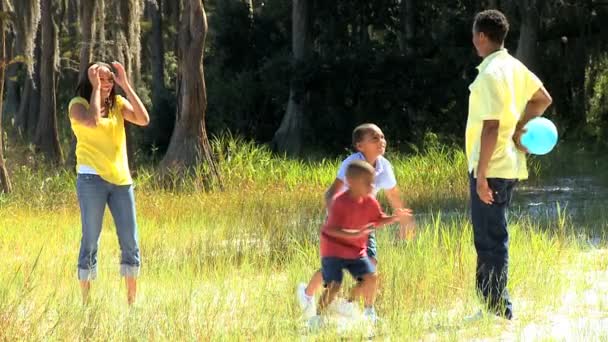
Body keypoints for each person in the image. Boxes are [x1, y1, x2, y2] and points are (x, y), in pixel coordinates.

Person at [467, 10, 552, 319]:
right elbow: (543, 98)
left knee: (490, 239)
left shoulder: (490, 73)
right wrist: (519, 129)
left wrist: (481, 176)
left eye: (474, 36)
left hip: (493, 167)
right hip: (509, 164)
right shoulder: (515, 66)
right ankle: (492, 304)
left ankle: (496, 308)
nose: (474, 41)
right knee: (493, 236)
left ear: (481, 36)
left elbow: (490, 127)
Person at [297, 123, 415, 316]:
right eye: (375, 138)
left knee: (371, 262)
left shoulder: (385, 167)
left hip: (364, 221)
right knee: (335, 267)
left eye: (383, 137)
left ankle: (357, 306)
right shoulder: (351, 165)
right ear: (360, 146)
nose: (381, 141)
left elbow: (393, 195)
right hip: (341, 222)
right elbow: (330, 194)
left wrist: (403, 220)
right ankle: (307, 294)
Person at [69, 61, 150, 305]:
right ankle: (86, 303)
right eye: (99, 78)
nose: (105, 83)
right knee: (91, 239)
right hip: (91, 179)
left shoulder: (117, 104)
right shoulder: (77, 106)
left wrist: (125, 84)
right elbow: (93, 121)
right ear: (90, 79)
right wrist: (95, 88)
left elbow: (144, 119)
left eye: (108, 79)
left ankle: (131, 303)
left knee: (130, 241)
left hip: (121, 181)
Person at [311, 160, 410, 324]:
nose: (372, 187)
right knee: (334, 286)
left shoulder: (370, 201)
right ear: (351, 183)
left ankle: (349, 304)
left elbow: (377, 220)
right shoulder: (339, 203)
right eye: (368, 183)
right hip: (333, 251)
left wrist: (395, 218)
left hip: (356, 251)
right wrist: (354, 233)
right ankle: (317, 317)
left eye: (373, 182)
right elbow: (330, 230)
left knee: (370, 277)